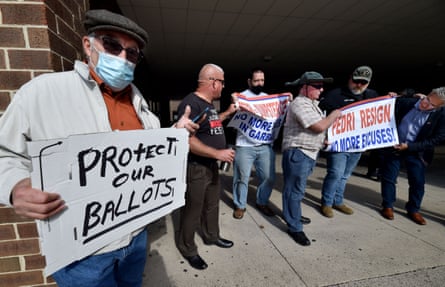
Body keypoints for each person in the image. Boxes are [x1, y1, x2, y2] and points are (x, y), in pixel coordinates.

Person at [0, 9, 198, 287]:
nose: (122, 57)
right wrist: (14, 187)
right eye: (112, 45)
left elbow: (152, 158)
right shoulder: (42, 93)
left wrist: (175, 136)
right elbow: (4, 153)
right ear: (87, 44)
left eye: (132, 53)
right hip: (82, 254)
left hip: (135, 238)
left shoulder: (144, 110)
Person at [176, 63, 237, 270]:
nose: (223, 87)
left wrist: (227, 113)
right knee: (193, 209)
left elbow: (210, 125)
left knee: (212, 204)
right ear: (213, 82)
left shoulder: (208, 105)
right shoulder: (190, 104)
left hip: (211, 166)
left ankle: (212, 236)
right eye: (222, 82)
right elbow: (187, 140)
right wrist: (218, 153)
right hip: (197, 167)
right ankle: (188, 248)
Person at [282, 71, 341, 246]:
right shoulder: (300, 103)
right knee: (294, 191)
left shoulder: (311, 103)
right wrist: (334, 115)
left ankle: (293, 215)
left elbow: (316, 131)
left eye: (322, 86)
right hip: (299, 153)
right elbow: (317, 126)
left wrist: (322, 140)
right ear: (304, 87)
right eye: (317, 86)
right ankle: (295, 227)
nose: (321, 89)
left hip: (308, 152)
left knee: (296, 190)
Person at [318, 65, 379, 217]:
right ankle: (326, 203)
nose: (358, 85)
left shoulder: (373, 95)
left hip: (358, 144)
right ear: (350, 78)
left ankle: (338, 201)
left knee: (345, 175)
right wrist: (324, 136)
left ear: (369, 83)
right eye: (356, 81)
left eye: (363, 83)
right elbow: (321, 115)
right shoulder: (334, 94)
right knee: (335, 173)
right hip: (338, 143)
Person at [380, 87, 445, 225]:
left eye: (432, 105)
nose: (426, 104)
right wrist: (392, 95)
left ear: (439, 107)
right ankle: (388, 206)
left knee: (417, 183)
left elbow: (436, 139)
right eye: (427, 99)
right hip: (394, 147)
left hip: (417, 152)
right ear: (427, 94)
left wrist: (410, 147)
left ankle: (413, 209)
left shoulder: (441, 115)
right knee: (389, 178)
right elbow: (385, 108)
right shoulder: (408, 103)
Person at [231, 68, 277, 220]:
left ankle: (262, 201)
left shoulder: (267, 98)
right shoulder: (242, 97)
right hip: (244, 146)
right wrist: (235, 99)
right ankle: (240, 205)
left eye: (262, 80)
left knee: (268, 177)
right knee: (241, 177)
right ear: (249, 81)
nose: (259, 83)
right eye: (256, 80)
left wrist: (287, 99)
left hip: (264, 146)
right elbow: (235, 106)